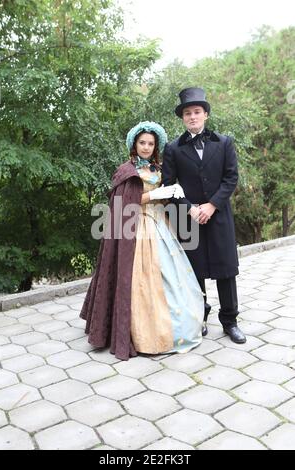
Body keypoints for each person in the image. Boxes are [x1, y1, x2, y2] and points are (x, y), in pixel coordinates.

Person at [80, 121, 204, 360]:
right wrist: (155, 194)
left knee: (171, 276)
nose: (146, 147)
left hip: (161, 226)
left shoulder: (158, 168)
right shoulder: (126, 170)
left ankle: (178, 326)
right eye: (142, 143)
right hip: (136, 228)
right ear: (134, 145)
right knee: (139, 278)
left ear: (156, 146)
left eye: (150, 143)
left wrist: (171, 194)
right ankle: (140, 331)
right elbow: (125, 202)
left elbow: (162, 199)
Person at [162, 87, 246, 344]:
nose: (193, 117)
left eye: (197, 112)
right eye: (188, 113)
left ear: (206, 114)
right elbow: (167, 185)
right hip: (188, 218)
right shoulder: (173, 148)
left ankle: (230, 321)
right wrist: (189, 207)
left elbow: (231, 177)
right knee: (194, 270)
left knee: (226, 268)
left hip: (218, 214)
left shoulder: (224, 143)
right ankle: (200, 317)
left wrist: (211, 205)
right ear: (183, 118)